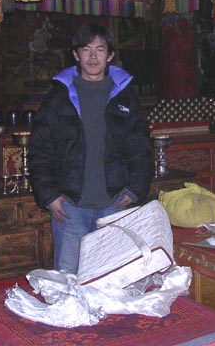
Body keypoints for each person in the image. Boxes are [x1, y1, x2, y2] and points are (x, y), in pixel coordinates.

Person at [28, 22, 153, 273]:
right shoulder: (59, 98)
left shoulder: (125, 97)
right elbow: (40, 148)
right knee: (68, 276)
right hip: (70, 206)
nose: (93, 57)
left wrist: (135, 189)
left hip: (113, 202)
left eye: (100, 49)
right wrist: (49, 195)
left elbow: (139, 146)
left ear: (110, 55)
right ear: (76, 55)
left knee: (110, 276)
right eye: (86, 50)